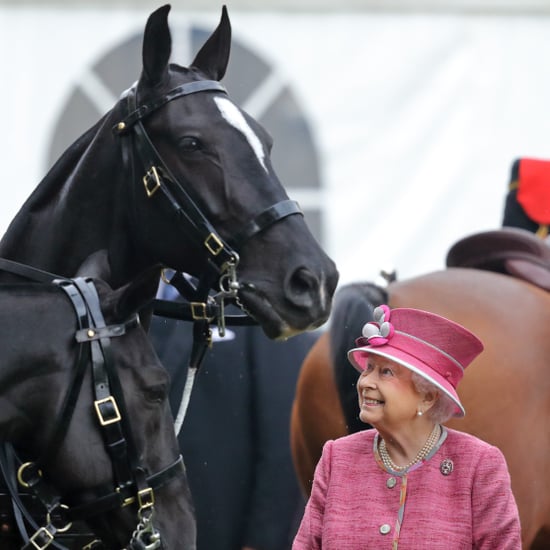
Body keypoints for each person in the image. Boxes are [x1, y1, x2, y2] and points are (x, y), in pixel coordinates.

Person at [292, 304, 521, 549]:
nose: (365, 382)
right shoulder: (336, 457)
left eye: (386, 372)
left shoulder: (479, 465)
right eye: (368, 368)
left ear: (427, 397)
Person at [149, 289, 317, 550]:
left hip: (226, 531)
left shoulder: (260, 300)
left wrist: (263, 541)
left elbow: (284, 431)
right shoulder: (109, 297)